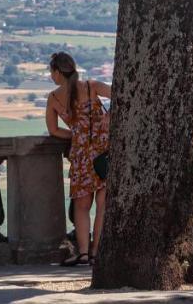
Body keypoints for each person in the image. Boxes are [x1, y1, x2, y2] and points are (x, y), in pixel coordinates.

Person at [45, 51, 111, 267]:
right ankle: (96, 251)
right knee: (102, 204)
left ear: (57, 73)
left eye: (51, 72)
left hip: (81, 155)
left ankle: (83, 253)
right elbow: (125, 97)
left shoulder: (54, 98)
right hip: (104, 151)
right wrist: (106, 121)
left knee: (82, 206)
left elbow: (53, 130)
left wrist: (76, 134)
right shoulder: (92, 86)